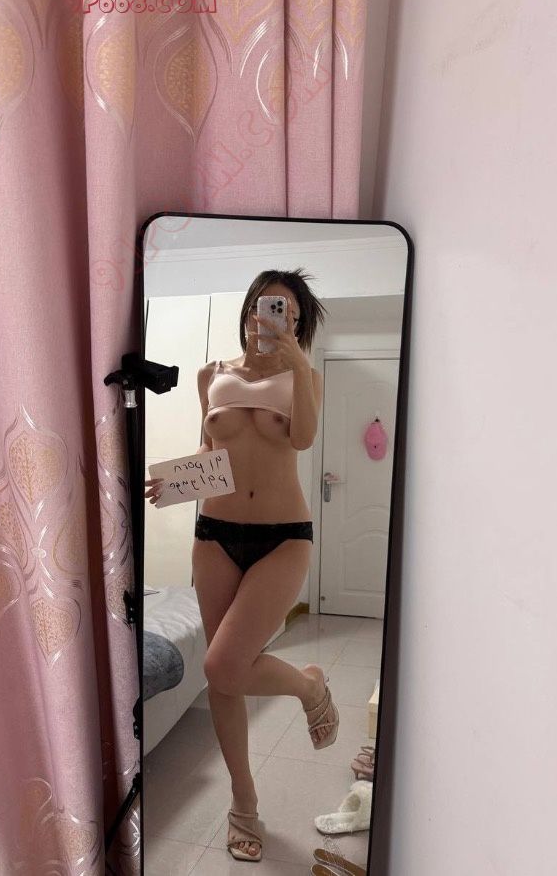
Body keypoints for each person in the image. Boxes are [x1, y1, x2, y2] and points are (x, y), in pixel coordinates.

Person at [145, 268, 339, 863]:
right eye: (267, 305)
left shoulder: (305, 377)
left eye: (289, 312)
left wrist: (298, 364)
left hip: (283, 537)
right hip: (215, 535)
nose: (275, 317)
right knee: (225, 677)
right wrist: (177, 481)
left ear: (298, 323)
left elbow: (302, 440)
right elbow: (211, 452)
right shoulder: (211, 375)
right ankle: (244, 801)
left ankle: (308, 686)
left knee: (222, 664)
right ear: (250, 309)